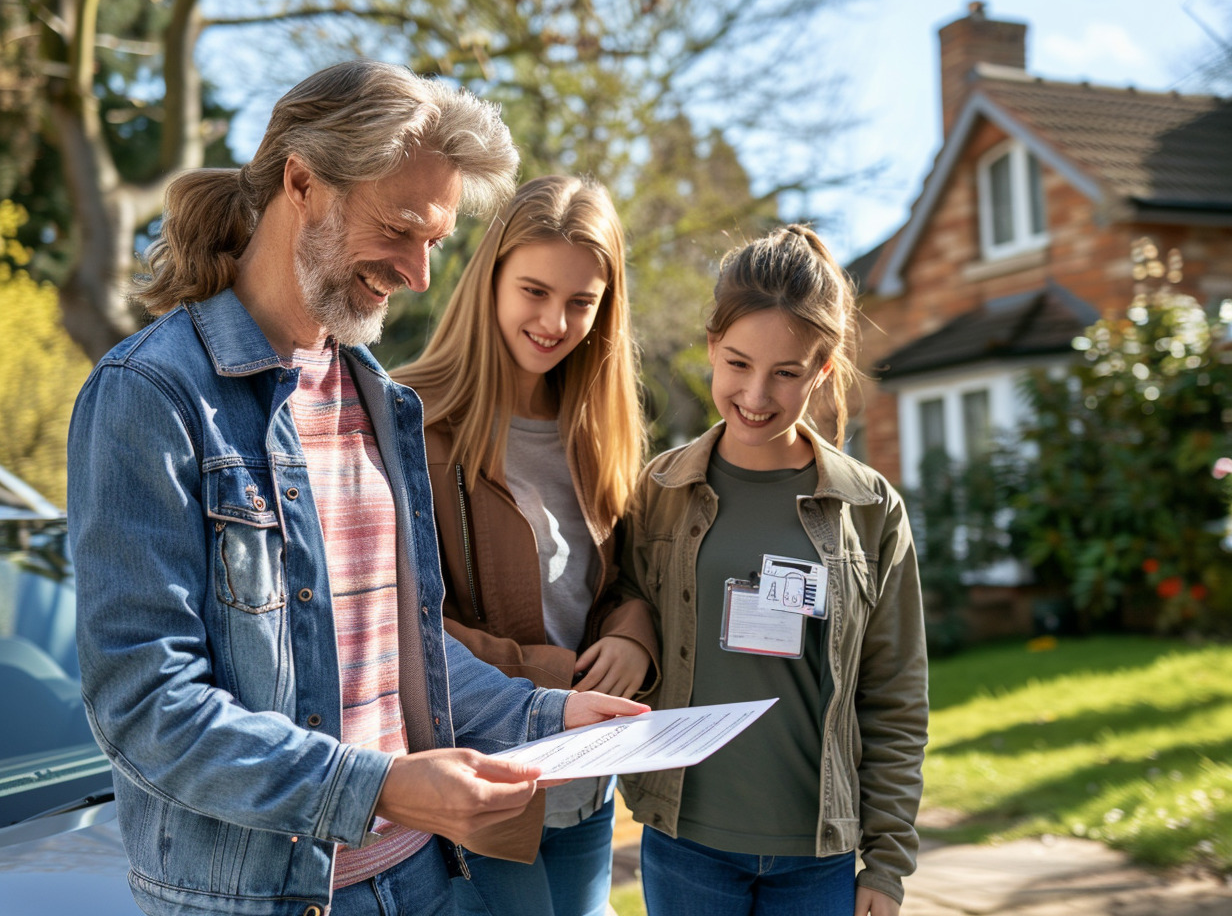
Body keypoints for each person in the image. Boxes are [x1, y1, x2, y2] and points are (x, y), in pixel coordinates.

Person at [66, 60, 647, 916]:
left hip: (423, 883)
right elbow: (148, 708)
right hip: (258, 898)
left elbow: (395, 649)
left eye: (435, 243)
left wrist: (543, 715)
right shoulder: (150, 396)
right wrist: (381, 787)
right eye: (400, 228)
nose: (418, 273)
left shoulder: (378, 400)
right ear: (302, 179)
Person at [616, 225, 928, 916]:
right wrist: (627, 631)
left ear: (821, 371)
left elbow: (897, 697)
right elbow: (618, 599)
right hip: (686, 841)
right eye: (737, 364)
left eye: (786, 373)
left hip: (815, 857)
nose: (756, 394)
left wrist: (887, 865)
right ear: (709, 350)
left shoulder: (872, 509)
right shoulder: (657, 492)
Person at [391, 174, 657, 916]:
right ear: (491, 281)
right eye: (534, 291)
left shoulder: (599, 436)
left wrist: (632, 640)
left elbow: (625, 581)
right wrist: (554, 679)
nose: (554, 321)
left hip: (585, 794)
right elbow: (398, 628)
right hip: (480, 792)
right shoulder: (408, 422)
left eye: (581, 302)